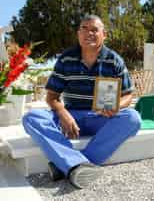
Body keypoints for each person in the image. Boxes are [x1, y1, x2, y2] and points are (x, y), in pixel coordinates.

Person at [22, 14, 141, 189]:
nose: (89, 33)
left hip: (100, 117)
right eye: (84, 29)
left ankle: (70, 165)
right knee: (31, 118)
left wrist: (116, 106)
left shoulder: (114, 60)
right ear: (78, 34)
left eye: (94, 29)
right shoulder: (66, 59)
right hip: (71, 116)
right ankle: (79, 165)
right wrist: (63, 114)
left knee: (133, 118)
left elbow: (128, 95)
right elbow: (51, 96)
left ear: (104, 34)